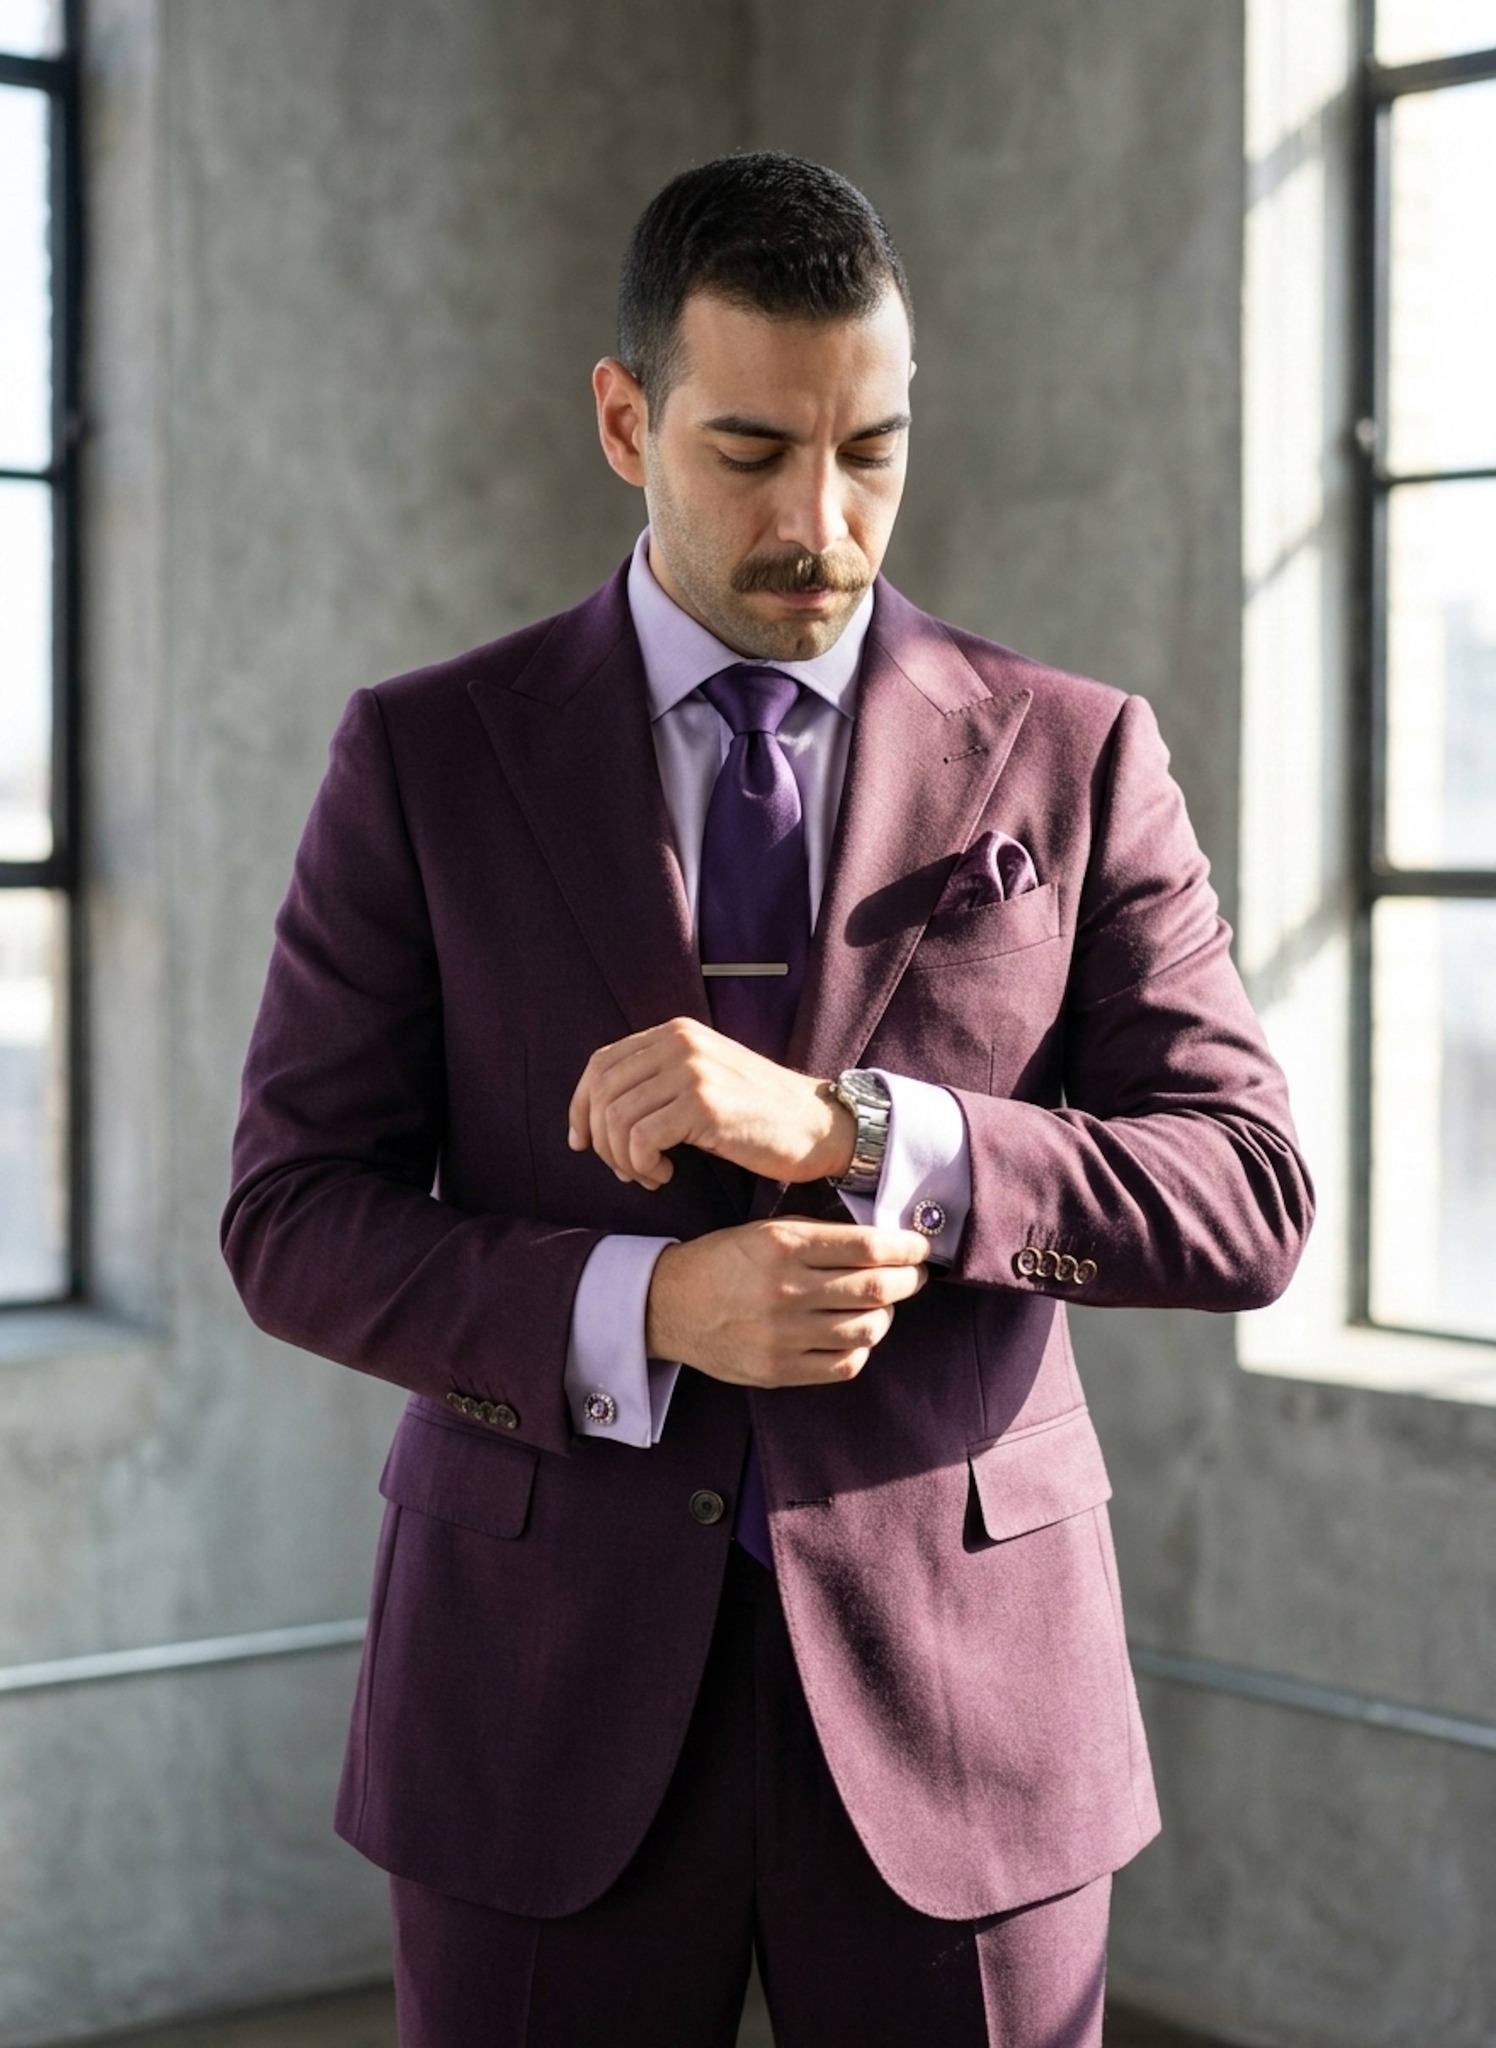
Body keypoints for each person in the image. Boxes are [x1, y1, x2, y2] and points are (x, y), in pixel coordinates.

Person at [223, 152, 1313, 2048]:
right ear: (625, 416)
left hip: (968, 1711)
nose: (822, 521)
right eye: (749, 451)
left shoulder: (1077, 753)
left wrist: (870, 1138)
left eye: (871, 450)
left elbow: (1250, 1194)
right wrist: (645, 1309)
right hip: (533, 1695)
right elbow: (293, 1215)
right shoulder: (426, 757)